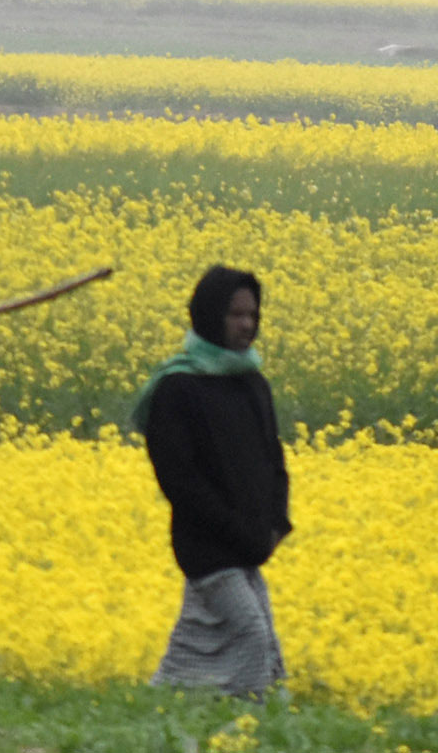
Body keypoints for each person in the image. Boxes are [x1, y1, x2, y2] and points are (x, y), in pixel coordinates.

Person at [132, 266, 292, 698]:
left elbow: (273, 459)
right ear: (209, 315)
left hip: (250, 542)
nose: (247, 325)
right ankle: (251, 714)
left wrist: (277, 522)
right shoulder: (177, 388)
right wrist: (234, 529)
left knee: (232, 637)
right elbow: (179, 480)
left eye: (252, 315)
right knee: (252, 633)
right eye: (236, 315)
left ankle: (168, 698)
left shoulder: (251, 382)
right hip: (206, 544)